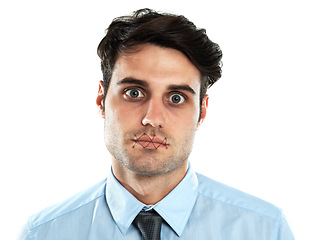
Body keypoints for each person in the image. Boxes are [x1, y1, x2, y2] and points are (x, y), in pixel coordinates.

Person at [20, 8, 294, 240]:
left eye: (176, 98)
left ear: (202, 111)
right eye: (134, 92)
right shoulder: (43, 233)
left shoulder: (265, 230)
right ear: (102, 100)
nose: (152, 118)